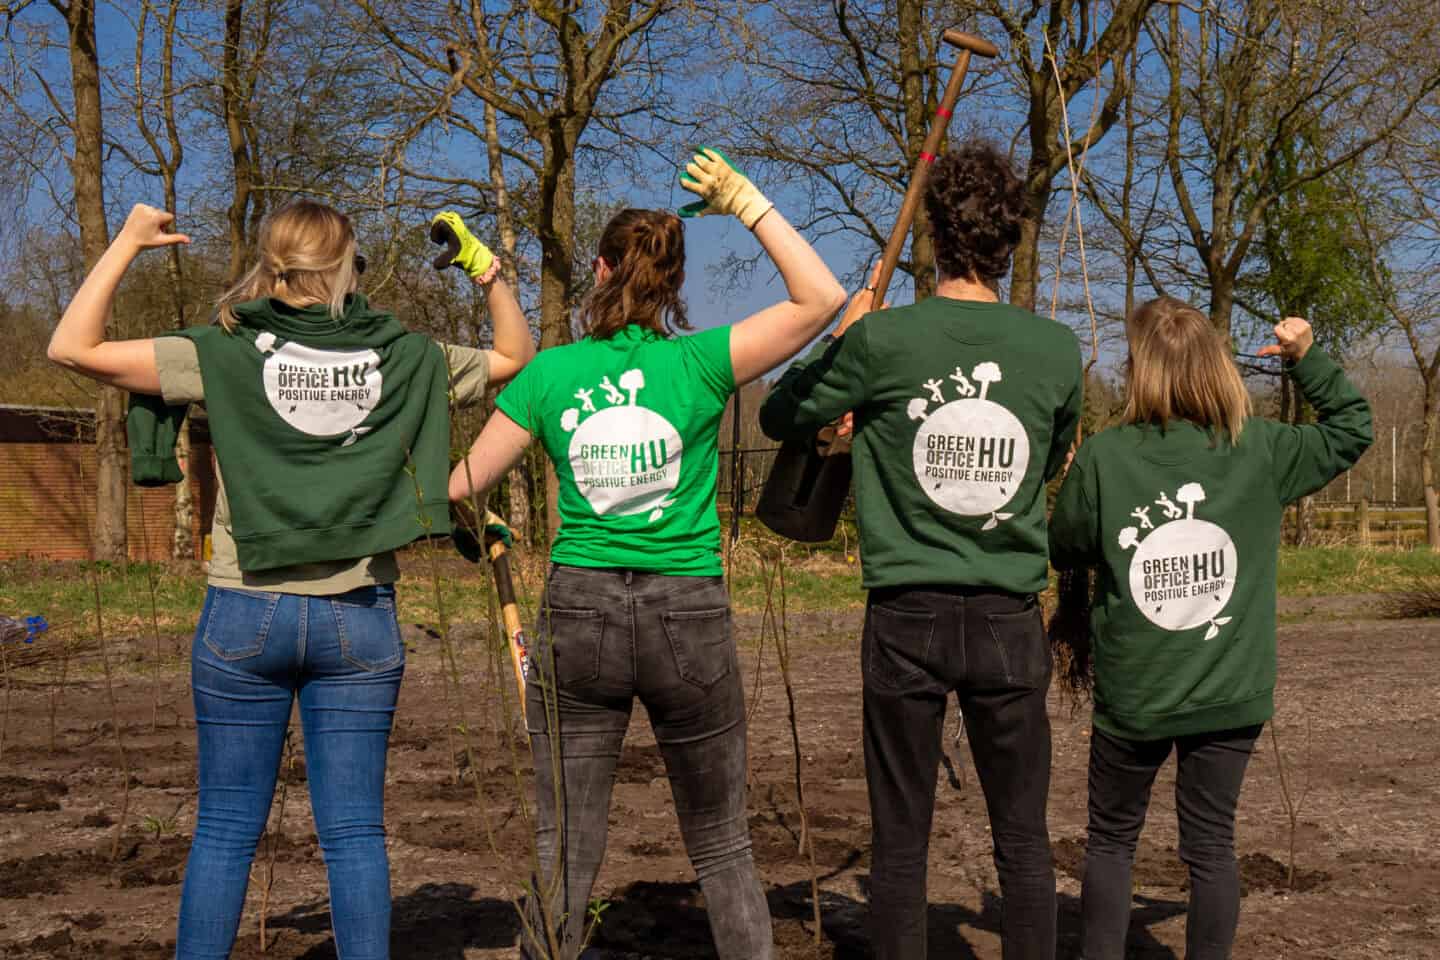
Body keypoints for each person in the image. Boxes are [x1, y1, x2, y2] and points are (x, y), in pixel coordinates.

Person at [47, 200, 535, 960]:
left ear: (274, 263)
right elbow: (513, 357)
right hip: (361, 617)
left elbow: (71, 347)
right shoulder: (405, 355)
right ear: (347, 267)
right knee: (353, 835)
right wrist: (486, 270)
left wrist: (127, 243)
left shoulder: (222, 351)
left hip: (245, 613)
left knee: (224, 830)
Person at [448, 148, 846, 959]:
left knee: (566, 842)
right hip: (686, 615)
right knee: (723, 843)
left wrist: (480, 529)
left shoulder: (551, 374)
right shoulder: (699, 363)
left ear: (598, 271)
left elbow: (463, 485)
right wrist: (746, 201)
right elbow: (824, 298)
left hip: (579, 615)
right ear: (673, 285)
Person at [758, 140, 1079, 960]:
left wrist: (843, 337)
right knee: (1024, 841)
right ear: (1011, 241)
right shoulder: (1055, 351)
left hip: (906, 614)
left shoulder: (883, 343)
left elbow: (781, 414)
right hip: (1010, 614)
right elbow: (1044, 462)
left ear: (934, 236)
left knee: (900, 843)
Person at [1047, 301, 1372, 960]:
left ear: (1141, 371)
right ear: (1217, 366)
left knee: (1112, 840)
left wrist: (1083, 478)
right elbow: (1351, 427)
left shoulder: (1109, 456)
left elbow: (1066, 544)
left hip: (1136, 695)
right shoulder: (1261, 448)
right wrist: (1307, 357)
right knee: (1210, 845)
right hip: (1230, 692)